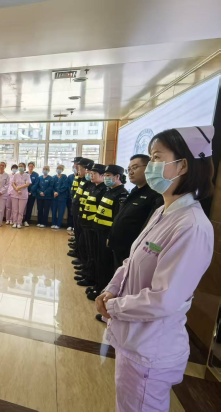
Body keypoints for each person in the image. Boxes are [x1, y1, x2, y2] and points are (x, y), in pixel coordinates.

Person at [96, 126, 215, 411]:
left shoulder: (191, 226)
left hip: (151, 348)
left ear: (183, 165)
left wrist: (113, 307)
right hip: (133, 338)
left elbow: (164, 298)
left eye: (157, 158)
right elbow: (132, 259)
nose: (151, 166)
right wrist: (111, 289)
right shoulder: (163, 211)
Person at [108, 154, 163, 270]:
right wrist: (111, 237)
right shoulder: (135, 191)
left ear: (149, 168)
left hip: (132, 251)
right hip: (118, 247)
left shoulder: (155, 195)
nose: (130, 172)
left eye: (135, 167)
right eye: (128, 169)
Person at [88, 165, 128, 304]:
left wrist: (110, 236)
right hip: (99, 230)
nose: (105, 178)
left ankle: (102, 289)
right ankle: (97, 285)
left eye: (108, 175)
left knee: (105, 263)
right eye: (104, 175)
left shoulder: (121, 194)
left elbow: (117, 219)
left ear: (117, 177)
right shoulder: (109, 191)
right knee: (98, 260)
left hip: (107, 234)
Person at [75, 164, 107, 289]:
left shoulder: (103, 189)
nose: (91, 176)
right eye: (90, 173)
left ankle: (91, 276)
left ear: (102, 176)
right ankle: (87, 271)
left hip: (94, 226)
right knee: (88, 249)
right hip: (86, 221)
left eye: (94, 174)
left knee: (93, 252)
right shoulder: (94, 187)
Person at [11, 163, 32, 229]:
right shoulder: (16, 175)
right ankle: (14, 222)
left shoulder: (27, 175)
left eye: (22, 166)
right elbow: (13, 183)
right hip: (15, 194)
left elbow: (27, 184)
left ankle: (19, 223)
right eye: (19, 166)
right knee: (15, 210)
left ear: (24, 167)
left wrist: (19, 187)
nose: (20, 167)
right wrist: (16, 189)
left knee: (21, 211)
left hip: (23, 195)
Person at [66, 157, 82, 233]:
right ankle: (75, 233)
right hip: (73, 198)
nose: (75, 165)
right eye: (74, 164)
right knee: (71, 213)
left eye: (76, 164)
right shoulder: (74, 176)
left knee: (78, 218)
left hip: (80, 200)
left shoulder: (82, 176)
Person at [51, 165, 69, 229]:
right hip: (54, 197)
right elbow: (51, 186)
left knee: (61, 212)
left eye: (60, 169)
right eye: (58, 168)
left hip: (62, 197)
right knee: (54, 211)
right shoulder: (53, 177)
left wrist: (58, 192)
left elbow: (65, 186)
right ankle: (53, 223)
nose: (59, 170)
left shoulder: (64, 177)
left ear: (62, 170)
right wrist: (54, 192)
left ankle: (58, 224)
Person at [23, 161, 39, 226]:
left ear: (34, 167)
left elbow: (36, 184)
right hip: (24, 193)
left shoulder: (36, 175)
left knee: (29, 208)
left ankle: (27, 220)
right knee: (22, 207)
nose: (31, 167)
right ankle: (20, 219)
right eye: (30, 166)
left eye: (32, 166)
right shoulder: (25, 174)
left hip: (32, 194)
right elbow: (22, 183)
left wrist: (30, 192)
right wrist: (26, 191)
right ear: (28, 167)